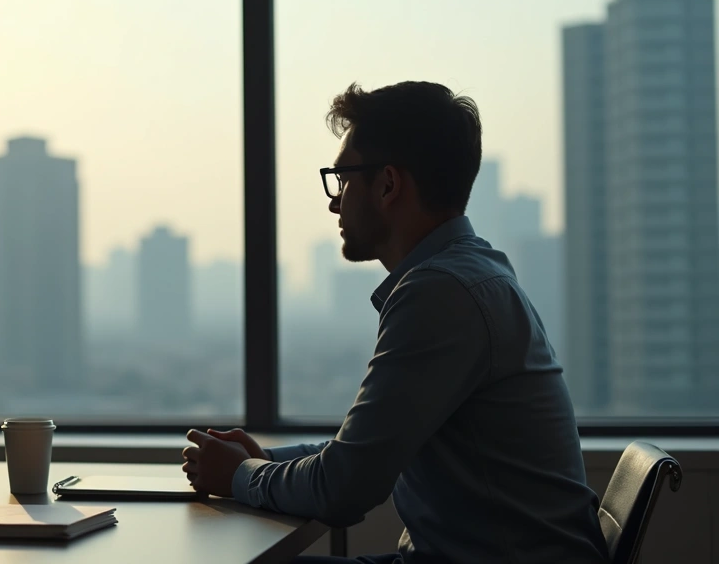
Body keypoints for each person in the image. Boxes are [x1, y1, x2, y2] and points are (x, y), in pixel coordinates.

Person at [181, 82, 608, 563]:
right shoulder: (470, 273)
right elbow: (364, 450)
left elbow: (344, 488)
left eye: (342, 179)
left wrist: (240, 475)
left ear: (387, 184)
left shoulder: (440, 294)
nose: (334, 202)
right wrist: (262, 461)